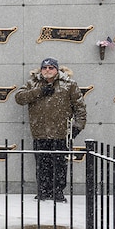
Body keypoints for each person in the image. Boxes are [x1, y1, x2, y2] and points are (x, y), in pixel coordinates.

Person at [14, 57, 86, 202]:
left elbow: (80, 107)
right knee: (42, 164)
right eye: (45, 68)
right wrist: (39, 91)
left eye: (51, 68)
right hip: (40, 133)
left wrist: (78, 126)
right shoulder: (32, 83)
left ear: (57, 69)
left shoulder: (69, 84)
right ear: (41, 70)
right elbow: (19, 98)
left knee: (60, 165)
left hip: (61, 134)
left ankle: (58, 192)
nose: (47, 70)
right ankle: (43, 191)